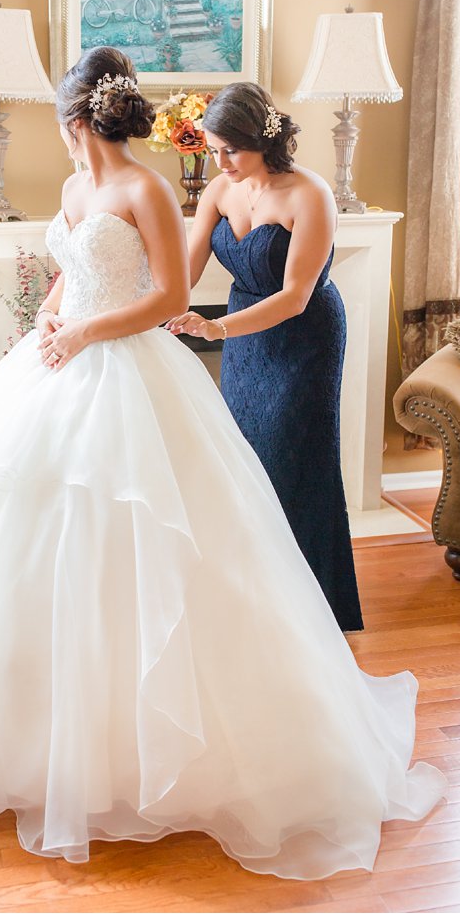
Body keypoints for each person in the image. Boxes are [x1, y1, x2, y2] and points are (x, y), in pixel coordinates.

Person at [0, 47, 444, 875]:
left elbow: (165, 293)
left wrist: (88, 329)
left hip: (127, 366)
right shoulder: (73, 189)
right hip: (61, 364)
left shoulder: (148, 188)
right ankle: (25, 731)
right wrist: (44, 326)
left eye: (64, 119)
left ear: (77, 118)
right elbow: (68, 274)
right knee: (25, 539)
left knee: (155, 531)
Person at [167, 83, 363, 631]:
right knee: (245, 459)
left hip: (304, 339)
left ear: (263, 140)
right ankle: (253, 600)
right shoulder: (219, 192)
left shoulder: (309, 194)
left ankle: (313, 608)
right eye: (212, 149)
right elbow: (182, 276)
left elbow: (297, 296)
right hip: (244, 340)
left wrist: (216, 327)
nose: (220, 162)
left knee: (293, 460)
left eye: (232, 150)